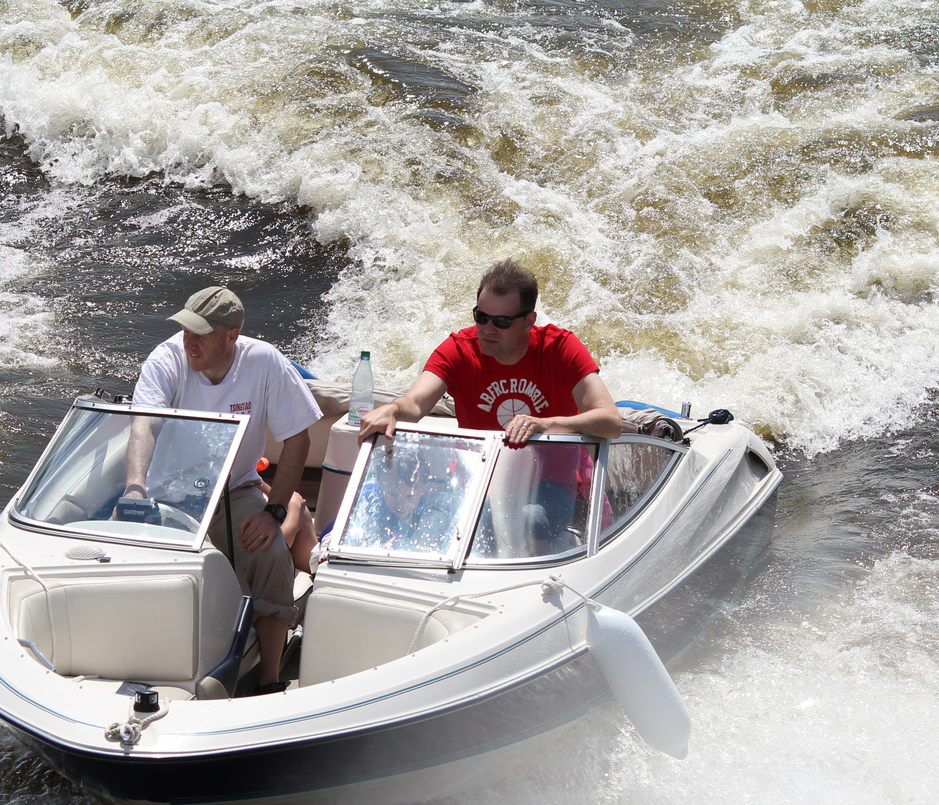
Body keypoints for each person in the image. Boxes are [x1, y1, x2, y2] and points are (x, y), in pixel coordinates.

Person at [125, 285, 321, 694]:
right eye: (184, 330)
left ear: (231, 335)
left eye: (199, 333)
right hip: (169, 494)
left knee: (270, 552)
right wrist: (136, 489)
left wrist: (275, 512)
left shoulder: (265, 361)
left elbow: (298, 439)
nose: (188, 342)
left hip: (235, 490)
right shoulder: (166, 360)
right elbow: (145, 423)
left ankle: (268, 679)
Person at [357, 260, 620, 551]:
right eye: (481, 317)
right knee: (439, 521)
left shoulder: (560, 348)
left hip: (548, 483)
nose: (488, 329)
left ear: (529, 321)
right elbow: (415, 403)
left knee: (529, 519)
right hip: (478, 477)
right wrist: (393, 409)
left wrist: (544, 424)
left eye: (502, 322)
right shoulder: (458, 349)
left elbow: (610, 420)